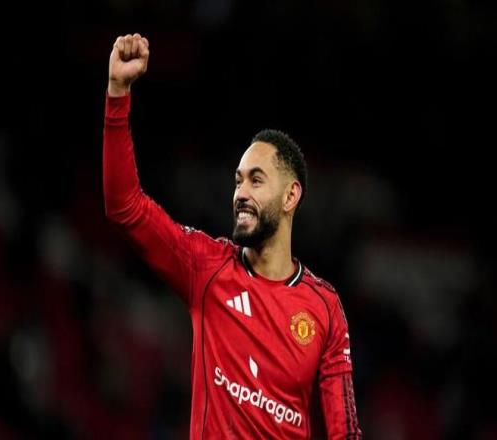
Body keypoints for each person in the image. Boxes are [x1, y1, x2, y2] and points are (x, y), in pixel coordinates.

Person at [103, 33, 362, 439]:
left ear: (291, 196)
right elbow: (125, 206)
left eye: (256, 181)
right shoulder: (205, 267)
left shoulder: (325, 309)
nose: (241, 193)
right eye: (238, 181)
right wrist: (117, 94)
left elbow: (344, 431)